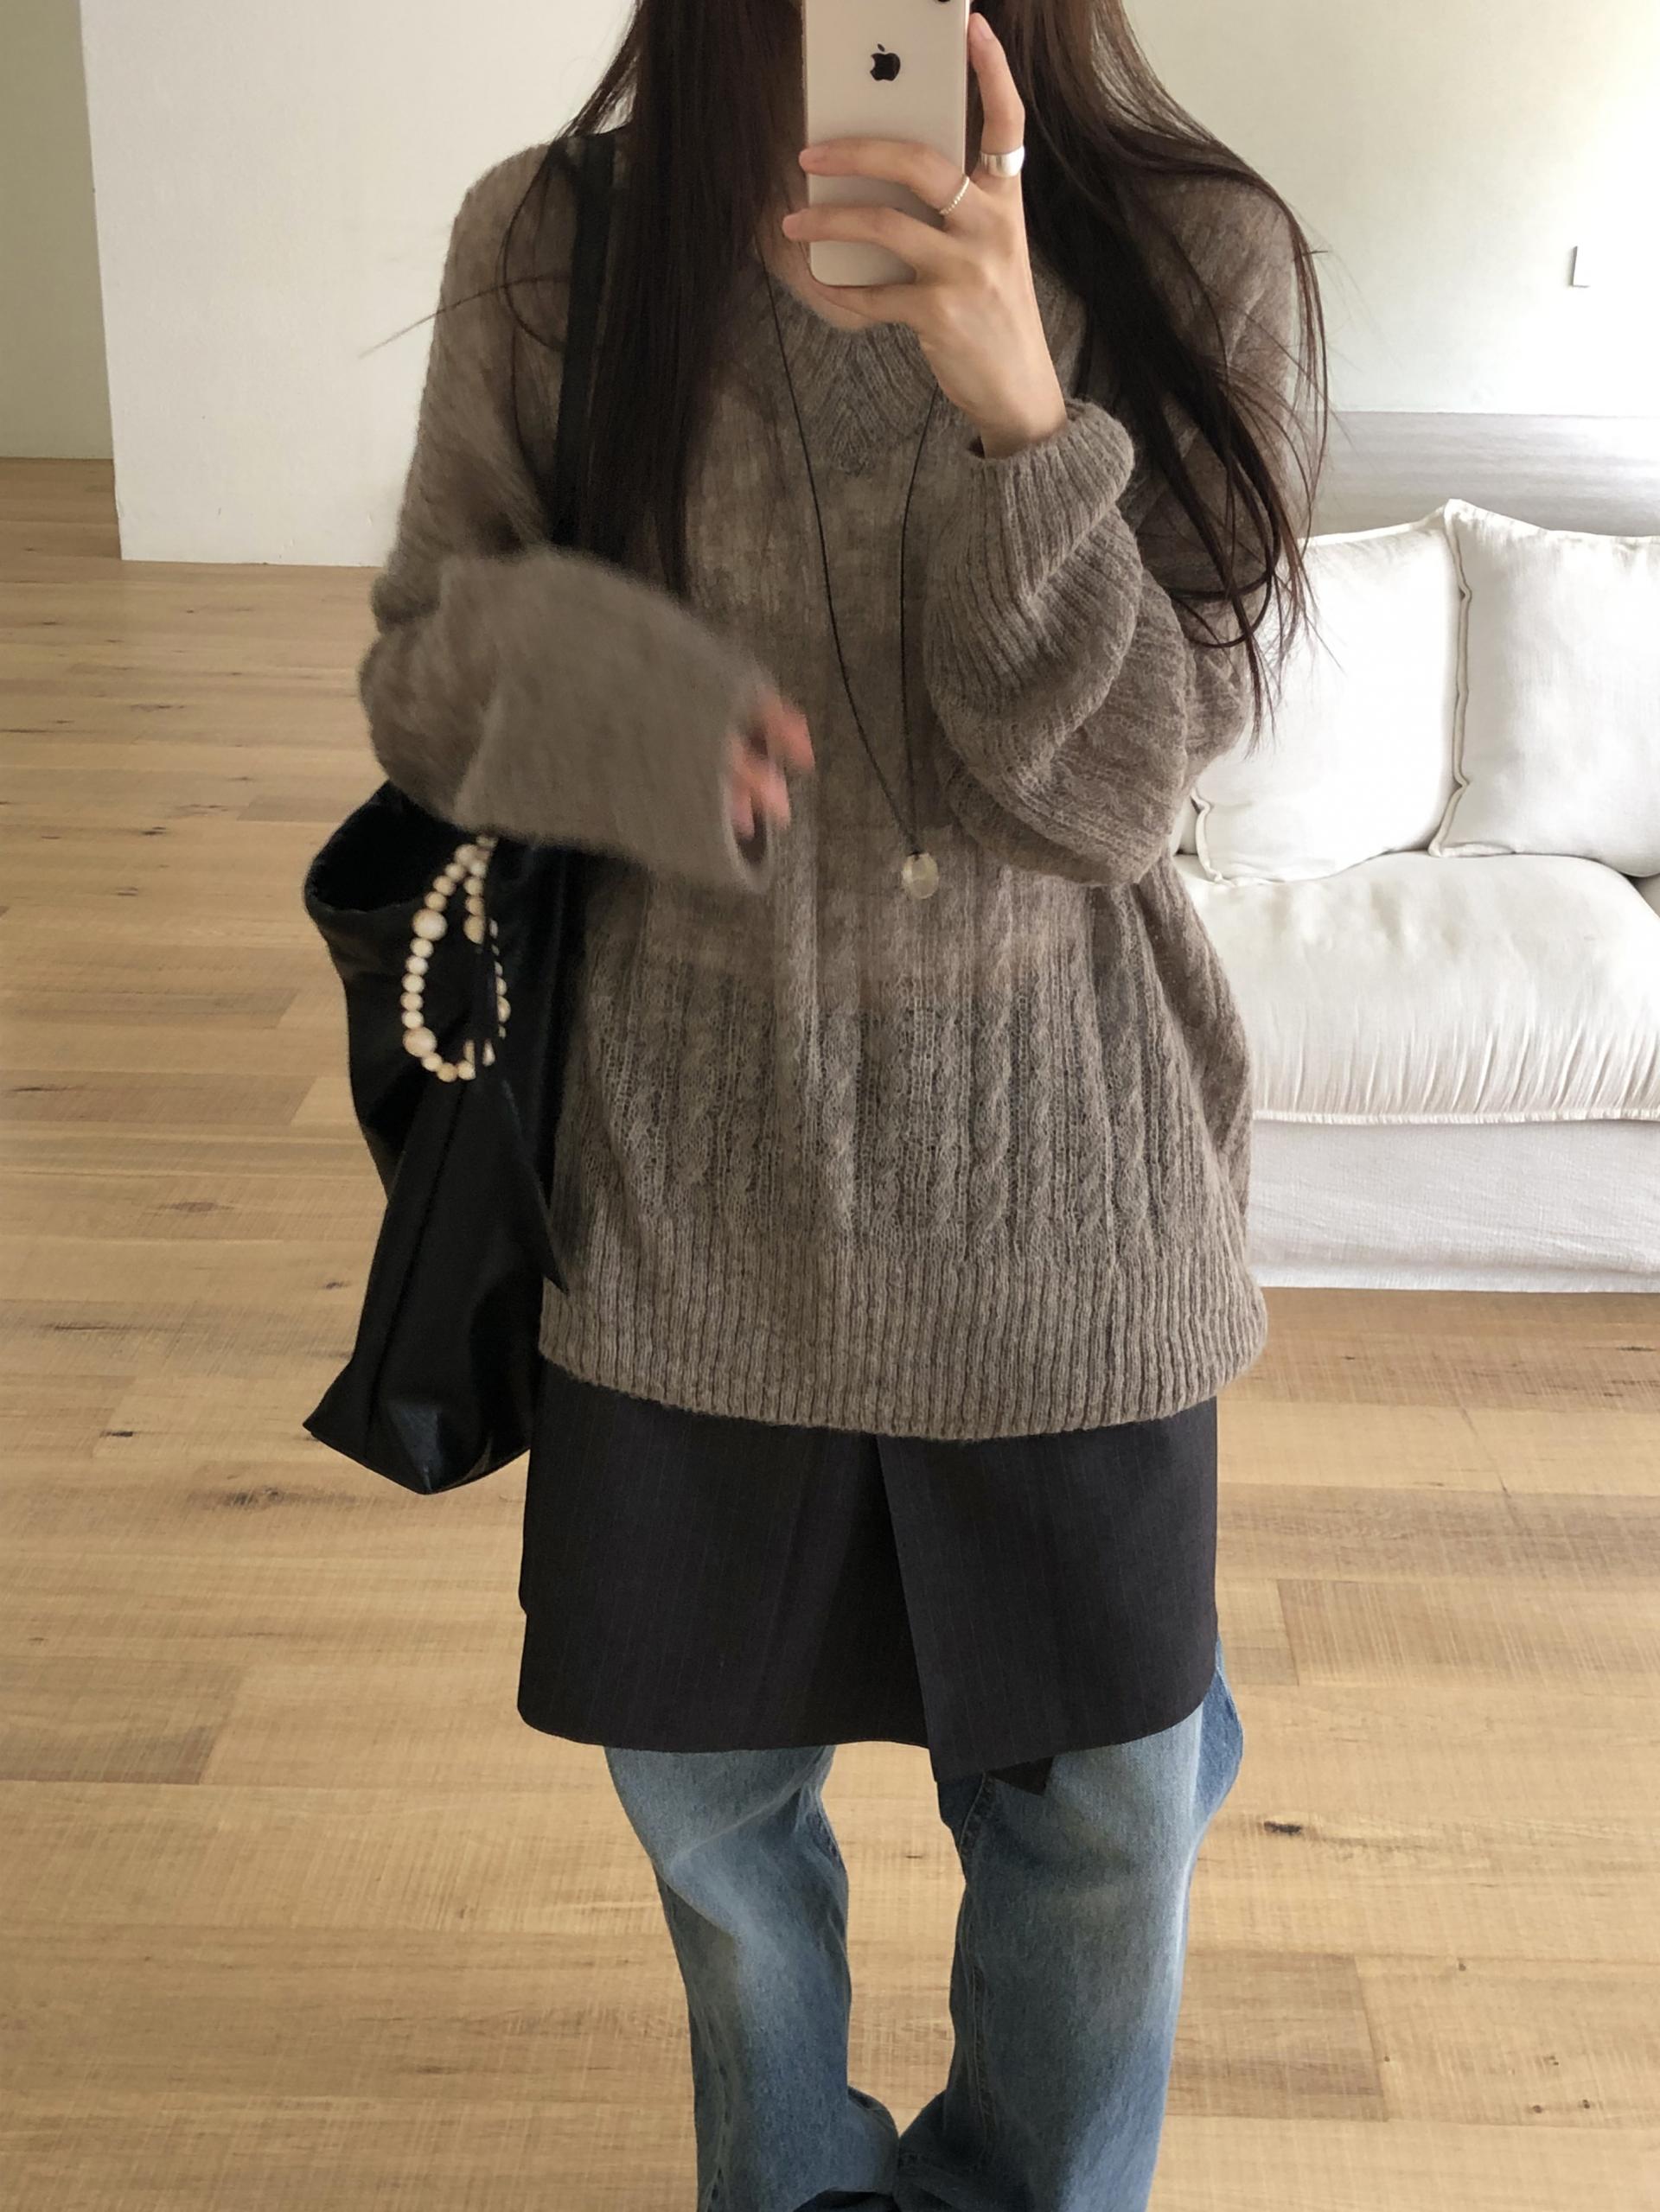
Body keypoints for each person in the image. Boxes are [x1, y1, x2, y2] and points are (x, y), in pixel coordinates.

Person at [358, 3, 1325, 2206]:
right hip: (686, 1204)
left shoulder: (1200, 257)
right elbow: (422, 667)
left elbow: (1126, 795)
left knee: (1107, 1812)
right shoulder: (555, 248)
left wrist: (1019, 413)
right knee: (709, 1812)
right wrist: (620, 705)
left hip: (1068, 1208)